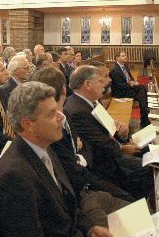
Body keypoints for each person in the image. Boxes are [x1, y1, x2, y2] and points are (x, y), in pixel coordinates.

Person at [0, 82, 126, 237]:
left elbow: (66, 207)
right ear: (28, 124)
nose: (61, 116)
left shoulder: (44, 147)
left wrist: (90, 228)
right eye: (51, 113)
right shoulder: (13, 177)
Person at [30, 67, 135, 202]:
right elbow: (71, 164)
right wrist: (79, 154)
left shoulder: (67, 112)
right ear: (64, 89)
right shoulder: (59, 121)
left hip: (93, 165)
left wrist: (121, 137)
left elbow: (85, 145)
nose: (104, 84)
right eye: (100, 81)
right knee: (128, 197)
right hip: (85, 179)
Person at [65, 66, 153, 199]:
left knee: (150, 160)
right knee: (148, 171)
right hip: (101, 165)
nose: (106, 83)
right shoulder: (78, 110)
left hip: (110, 154)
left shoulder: (90, 102)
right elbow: (99, 142)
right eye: (100, 81)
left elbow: (105, 128)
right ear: (87, 84)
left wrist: (118, 129)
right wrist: (123, 147)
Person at [109, 51, 150, 127]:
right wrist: (131, 85)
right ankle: (144, 115)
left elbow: (130, 77)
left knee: (142, 89)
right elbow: (120, 86)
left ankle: (144, 114)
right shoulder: (114, 70)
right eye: (123, 56)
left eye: (125, 55)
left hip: (127, 89)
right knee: (142, 90)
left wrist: (133, 81)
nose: (125, 57)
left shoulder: (125, 66)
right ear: (117, 58)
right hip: (120, 93)